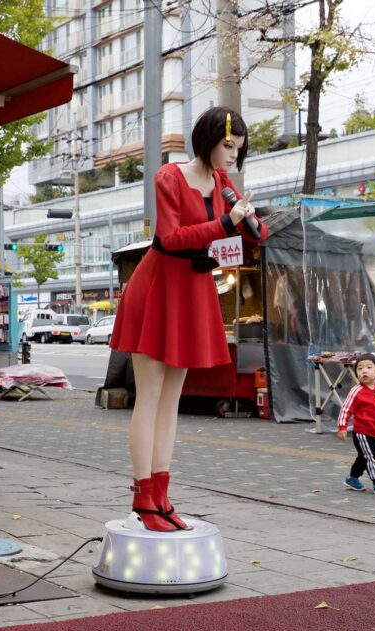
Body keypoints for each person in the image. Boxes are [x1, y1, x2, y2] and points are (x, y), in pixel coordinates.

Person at [110, 107, 268, 531]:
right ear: (209, 140)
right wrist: (223, 224)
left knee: (172, 399)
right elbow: (169, 236)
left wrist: (249, 223)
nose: (234, 155)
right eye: (228, 146)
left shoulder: (222, 183)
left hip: (192, 289)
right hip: (159, 287)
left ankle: (161, 495)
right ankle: (143, 497)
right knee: (151, 395)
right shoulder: (170, 177)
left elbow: (253, 231)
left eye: (239, 148)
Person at [336, 353, 375, 495]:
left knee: (364, 457)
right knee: (371, 457)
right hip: (362, 432)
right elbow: (346, 409)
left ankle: (352, 478)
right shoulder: (356, 391)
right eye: (360, 369)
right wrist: (342, 427)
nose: (364, 371)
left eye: (369, 367)